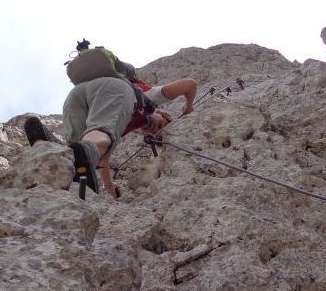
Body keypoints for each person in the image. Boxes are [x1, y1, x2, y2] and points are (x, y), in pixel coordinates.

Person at [25, 68, 197, 199]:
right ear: (163, 114)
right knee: (97, 140)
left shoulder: (124, 123)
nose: (155, 132)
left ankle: (50, 146)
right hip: (114, 89)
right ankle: (70, 149)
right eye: (162, 126)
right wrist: (188, 106)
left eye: (156, 136)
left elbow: (103, 160)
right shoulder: (149, 97)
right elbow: (190, 84)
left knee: (82, 147)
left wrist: (109, 188)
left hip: (77, 95)